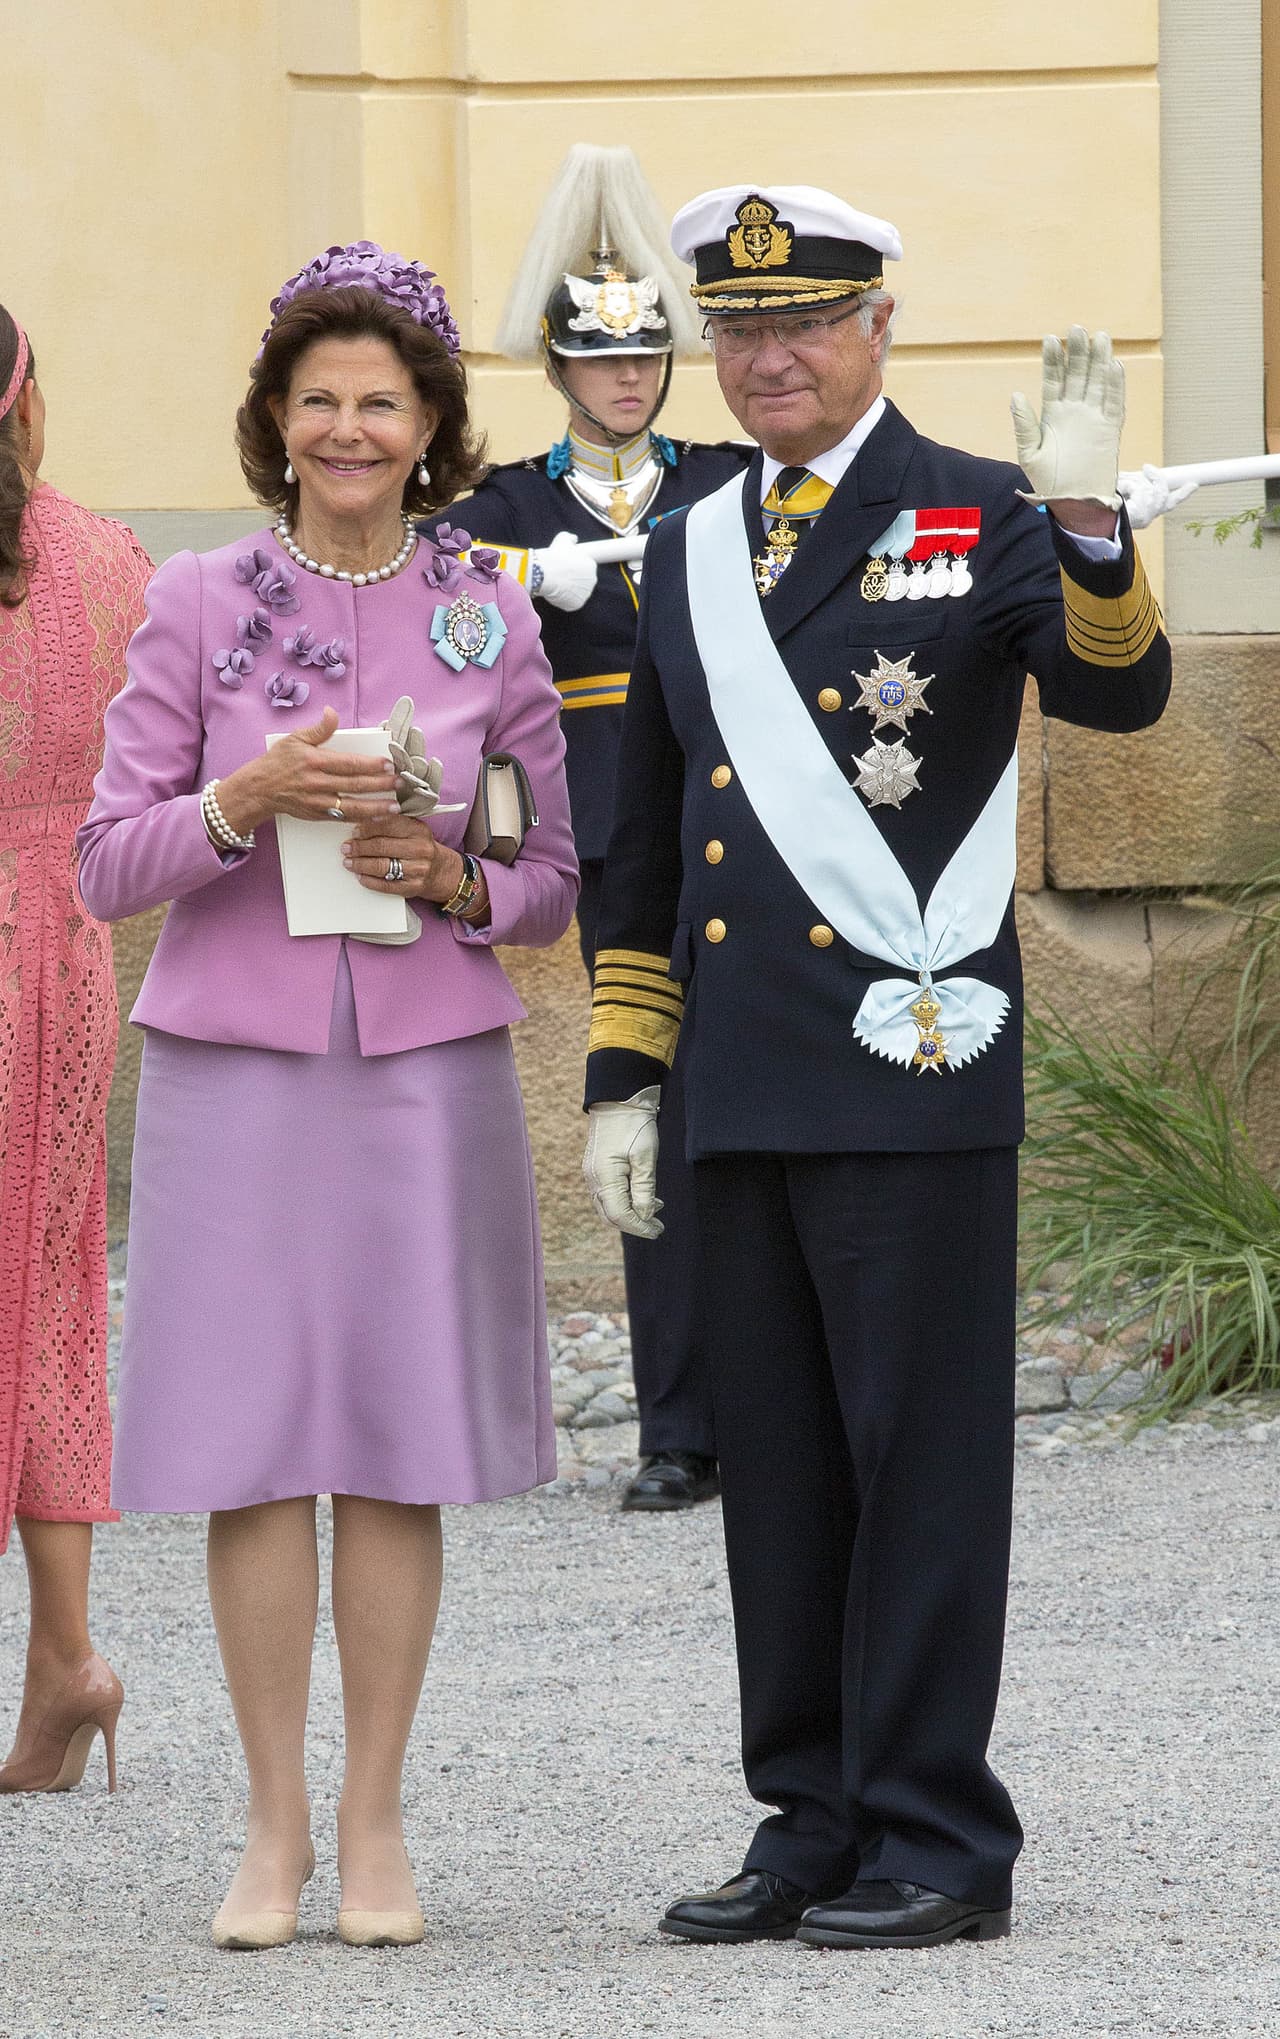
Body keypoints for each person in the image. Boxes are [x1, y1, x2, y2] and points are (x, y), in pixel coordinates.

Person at [582, 185, 1172, 1948]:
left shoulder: (976, 512)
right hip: (741, 1071)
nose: (770, 355)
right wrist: (626, 1065)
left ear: (878, 330)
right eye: (740, 329)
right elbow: (644, 825)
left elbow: (1115, 696)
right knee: (772, 1460)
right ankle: (811, 1815)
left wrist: (1086, 525)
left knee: (917, 1458)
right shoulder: (687, 540)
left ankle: (937, 1832)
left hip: (908, 1058)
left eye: (807, 322)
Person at [76, 243, 577, 1950]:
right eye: (320, 402)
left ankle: (376, 1828)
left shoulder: (488, 608)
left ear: (430, 423)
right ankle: (268, 1832)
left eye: (383, 401)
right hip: (236, 1074)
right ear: (276, 424)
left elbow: (552, 871)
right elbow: (105, 864)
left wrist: (452, 878)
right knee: (253, 1452)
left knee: (391, 1452)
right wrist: (243, 796)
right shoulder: (198, 601)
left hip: (424, 1077)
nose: (351, 429)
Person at [424, 145, 750, 1511]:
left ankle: (782, 1411)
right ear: (558, 367)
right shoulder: (506, 507)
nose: (629, 379)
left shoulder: (724, 478)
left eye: (647, 356)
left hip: (741, 821)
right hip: (614, 832)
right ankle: (679, 1426)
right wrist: (513, 576)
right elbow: (420, 583)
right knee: (650, 1109)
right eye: (601, 360)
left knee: (759, 1106)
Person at [0, 305, 152, 1796]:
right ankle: (67, 1660)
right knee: (48, 1296)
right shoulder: (110, 557)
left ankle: (61, 1673)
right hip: (67, 948)